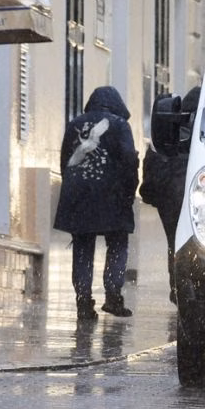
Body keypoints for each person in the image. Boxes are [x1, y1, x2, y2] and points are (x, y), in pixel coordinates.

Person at [54, 86, 140, 321]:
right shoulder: (120, 125)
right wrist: (129, 192)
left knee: (82, 247)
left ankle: (83, 302)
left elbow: (64, 161)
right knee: (118, 243)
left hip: (78, 196)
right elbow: (129, 160)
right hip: (112, 195)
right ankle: (112, 295)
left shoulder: (74, 124)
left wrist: (73, 187)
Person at [141, 87, 200, 303]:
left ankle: (176, 287)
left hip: (169, 196)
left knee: (174, 242)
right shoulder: (202, 131)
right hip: (187, 194)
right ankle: (188, 287)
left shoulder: (170, 131)